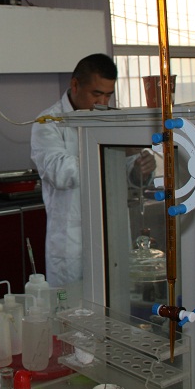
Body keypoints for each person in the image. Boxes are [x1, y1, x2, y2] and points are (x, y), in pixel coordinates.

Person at [30, 54, 155, 287]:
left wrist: (140, 169)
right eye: (96, 94)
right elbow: (60, 172)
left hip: (113, 231)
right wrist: (111, 149)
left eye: (108, 95)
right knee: (71, 303)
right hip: (72, 240)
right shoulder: (48, 122)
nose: (102, 103)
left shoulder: (111, 119)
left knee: (117, 298)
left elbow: (126, 171)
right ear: (75, 85)